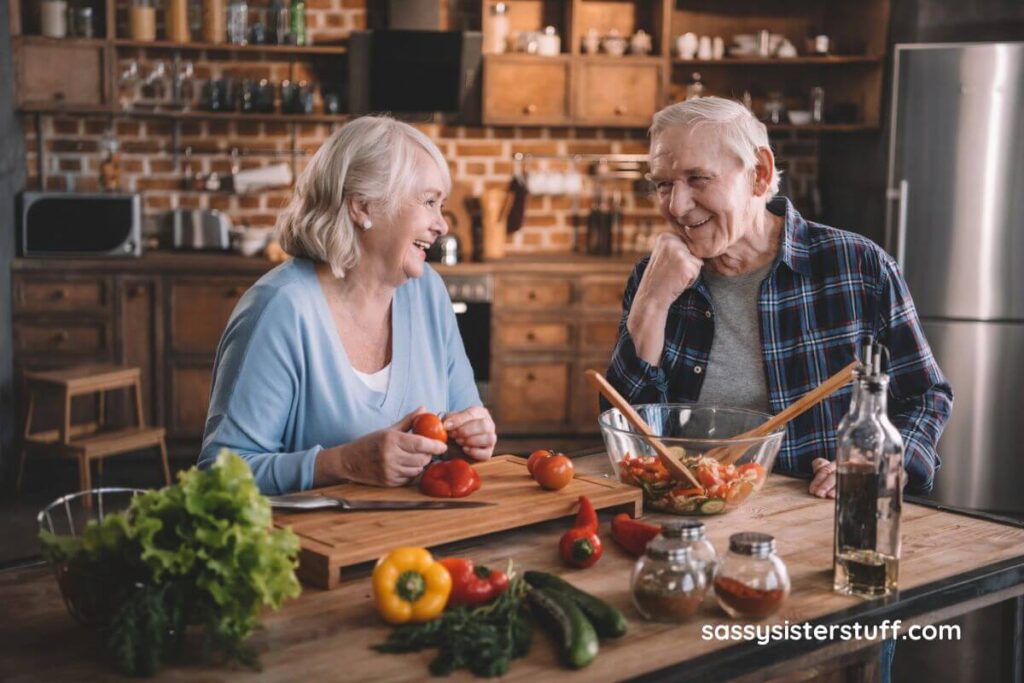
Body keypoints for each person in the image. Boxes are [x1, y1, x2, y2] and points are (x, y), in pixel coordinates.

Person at [606, 97, 952, 498]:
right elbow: (626, 432)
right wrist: (652, 302)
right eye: (663, 184)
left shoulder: (857, 267)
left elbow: (926, 396)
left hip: (818, 516)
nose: (676, 206)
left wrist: (880, 464)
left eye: (698, 178)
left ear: (759, 173)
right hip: (687, 511)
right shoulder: (654, 278)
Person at [198, 116, 496, 495]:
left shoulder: (428, 293)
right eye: (429, 202)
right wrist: (344, 463)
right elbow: (218, 478)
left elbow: (463, 420)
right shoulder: (280, 309)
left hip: (417, 543)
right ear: (362, 206)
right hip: (312, 547)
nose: (442, 225)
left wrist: (472, 436)